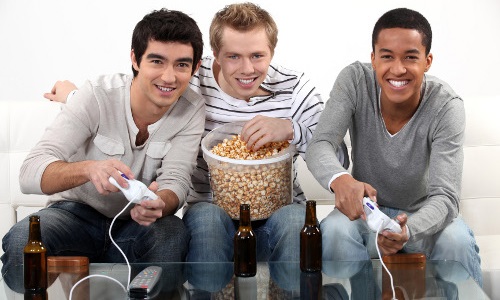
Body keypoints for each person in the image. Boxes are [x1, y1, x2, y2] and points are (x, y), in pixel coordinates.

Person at [42, 2, 348, 267]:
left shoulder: (295, 89)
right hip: (208, 203)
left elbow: (337, 159)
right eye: (233, 57)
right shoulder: (189, 77)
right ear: (214, 54)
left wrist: (292, 129)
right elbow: (139, 87)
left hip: (281, 205)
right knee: (207, 229)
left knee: (297, 226)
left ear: (272, 52)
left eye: (257, 56)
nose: (247, 69)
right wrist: (75, 97)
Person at [1, 8, 205, 291]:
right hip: (73, 215)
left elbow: (177, 180)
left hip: (136, 225)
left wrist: (161, 202)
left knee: (172, 236)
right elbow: (29, 172)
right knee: (21, 247)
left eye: (182, 65)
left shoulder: (192, 109)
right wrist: (89, 169)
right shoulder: (96, 95)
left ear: (195, 68)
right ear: (135, 59)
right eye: (157, 61)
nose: (169, 77)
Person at [306, 7, 482, 286]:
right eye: (387, 56)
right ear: (373, 59)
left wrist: (408, 229)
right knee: (335, 235)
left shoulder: (446, 106)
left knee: (456, 242)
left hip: (422, 217)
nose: (397, 69)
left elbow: (445, 197)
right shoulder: (354, 80)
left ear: (427, 61)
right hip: (366, 212)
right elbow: (321, 143)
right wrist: (341, 179)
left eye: (410, 57)